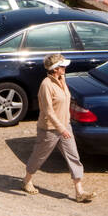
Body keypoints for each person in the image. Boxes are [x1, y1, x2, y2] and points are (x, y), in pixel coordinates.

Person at [22, 53, 95, 203]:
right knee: (39, 156)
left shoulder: (63, 79)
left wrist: (65, 126)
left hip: (65, 126)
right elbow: (48, 111)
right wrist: (61, 129)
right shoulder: (46, 85)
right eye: (62, 66)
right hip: (49, 129)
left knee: (74, 156)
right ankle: (27, 180)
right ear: (55, 69)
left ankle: (79, 191)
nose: (65, 68)